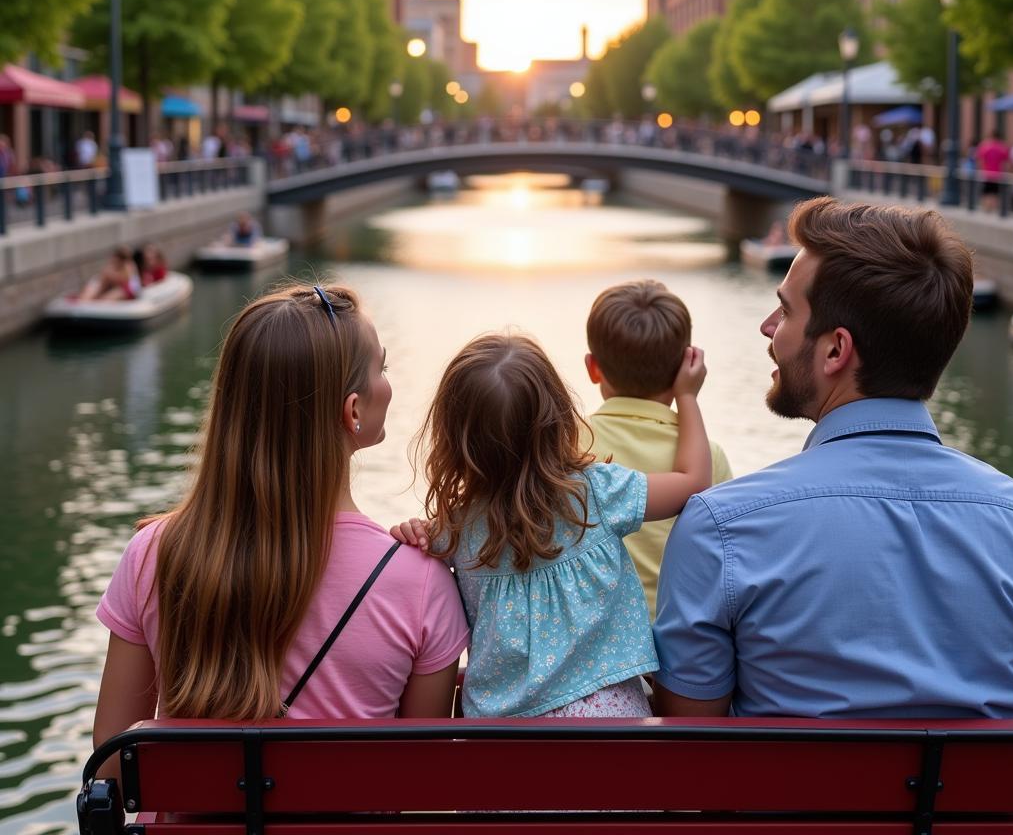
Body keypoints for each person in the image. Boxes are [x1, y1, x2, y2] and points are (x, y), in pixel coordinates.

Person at [654, 197, 1013, 720]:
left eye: (785, 310)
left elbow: (688, 745)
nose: (767, 327)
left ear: (835, 350)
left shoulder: (722, 530)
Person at [92, 285, 469, 764]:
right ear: (352, 410)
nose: (388, 383)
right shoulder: (421, 583)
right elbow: (421, 772)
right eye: (383, 368)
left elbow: (112, 756)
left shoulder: (153, 554)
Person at [392, 332, 711, 719]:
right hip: (612, 725)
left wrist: (412, 531)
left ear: (454, 439)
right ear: (558, 416)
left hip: (502, 739)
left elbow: (415, 572)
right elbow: (694, 482)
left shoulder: (453, 531)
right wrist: (687, 397)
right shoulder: (596, 494)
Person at [583, 280, 733, 618]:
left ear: (593, 368)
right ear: (685, 365)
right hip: (675, 641)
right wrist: (688, 398)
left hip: (596, 649)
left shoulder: (568, 442)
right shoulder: (707, 457)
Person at [975, 130, 1012, 211]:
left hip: (986, 173)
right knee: (995, 192)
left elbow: (979, 160)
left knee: (986, 192)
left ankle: (986, 209)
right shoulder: (1003, 147)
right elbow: (1007, 162)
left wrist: (980, 170)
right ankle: (993, 209)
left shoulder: (985, 146)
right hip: (998, 174)